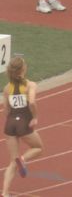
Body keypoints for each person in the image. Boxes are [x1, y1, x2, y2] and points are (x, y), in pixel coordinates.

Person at [2, 57, 44, 196]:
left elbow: (6, 110)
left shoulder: (7, 88)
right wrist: (35, 117)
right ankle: (23, 160)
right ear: (23, 69)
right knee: (38, 147)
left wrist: (10, 122)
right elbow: (31, 102)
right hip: (24, 123)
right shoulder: (30, 85)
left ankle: (6, 193)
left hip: (10, 125)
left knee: (12, 162)